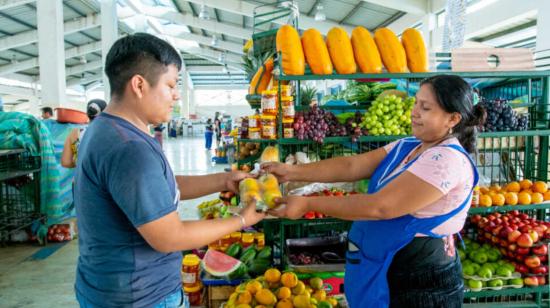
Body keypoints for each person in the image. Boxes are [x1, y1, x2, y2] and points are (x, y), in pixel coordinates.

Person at [73, 33, 265, 308]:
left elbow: (158, 188)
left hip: (107, 287)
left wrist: (223, 180)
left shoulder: (105, 129)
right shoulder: (129, 149)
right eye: (171, 85)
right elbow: (169, 237)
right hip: (140, 297)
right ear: (139, 84)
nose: (176, 95)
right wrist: (241, 221)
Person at [263, 75, 484, 307]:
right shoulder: (408, 146)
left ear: (453, 118)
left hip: (418, 280)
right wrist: (291, 172)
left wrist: (307, 204)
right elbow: (352, 165)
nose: (414, 112)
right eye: (416, 102)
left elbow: (381, 207)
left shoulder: (446, 160)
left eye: (425, 107)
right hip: (386, 268)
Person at [60, 99, 107, 168]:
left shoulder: (75, 133)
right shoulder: (110, 133)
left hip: (80, 177)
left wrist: (79, 163)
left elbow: (66, 162)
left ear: (87, 113)